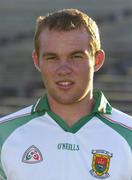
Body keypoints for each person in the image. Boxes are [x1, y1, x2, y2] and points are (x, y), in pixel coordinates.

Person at [0, 8, 132, 180]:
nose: (63, 70)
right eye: (52, 58)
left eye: (76, 56)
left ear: (97, 60)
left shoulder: (128, 136)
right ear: (37, 61)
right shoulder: (4, 135)